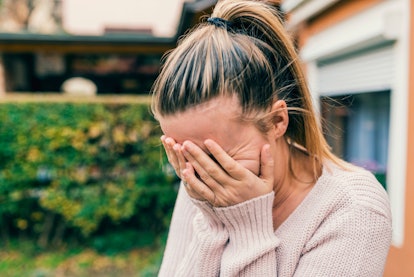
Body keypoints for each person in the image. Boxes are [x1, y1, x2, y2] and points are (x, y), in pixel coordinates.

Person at [151, 0, 392, 276]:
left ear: (277, 121)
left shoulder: (352, 210)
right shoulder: (199, 181)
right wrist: (213, 220)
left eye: (218, 156)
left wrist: (248, 229)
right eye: (184, 157)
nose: (203, 174)